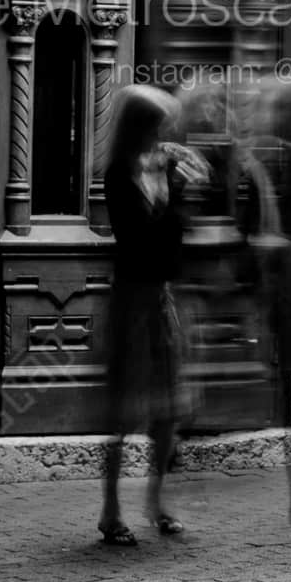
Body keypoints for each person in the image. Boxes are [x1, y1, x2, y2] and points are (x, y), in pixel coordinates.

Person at [98, 84, 208, 546]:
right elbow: (138, 240)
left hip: (162, 299)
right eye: (157, 125)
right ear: (139, 126)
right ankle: (110, 510)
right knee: (124, 414)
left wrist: (183, 190)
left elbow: (173, 241)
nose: (164, 134)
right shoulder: (118, 176)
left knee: (168, 413)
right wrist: (175, 194)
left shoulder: (166, 166)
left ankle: (157, 501)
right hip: (132, 301)